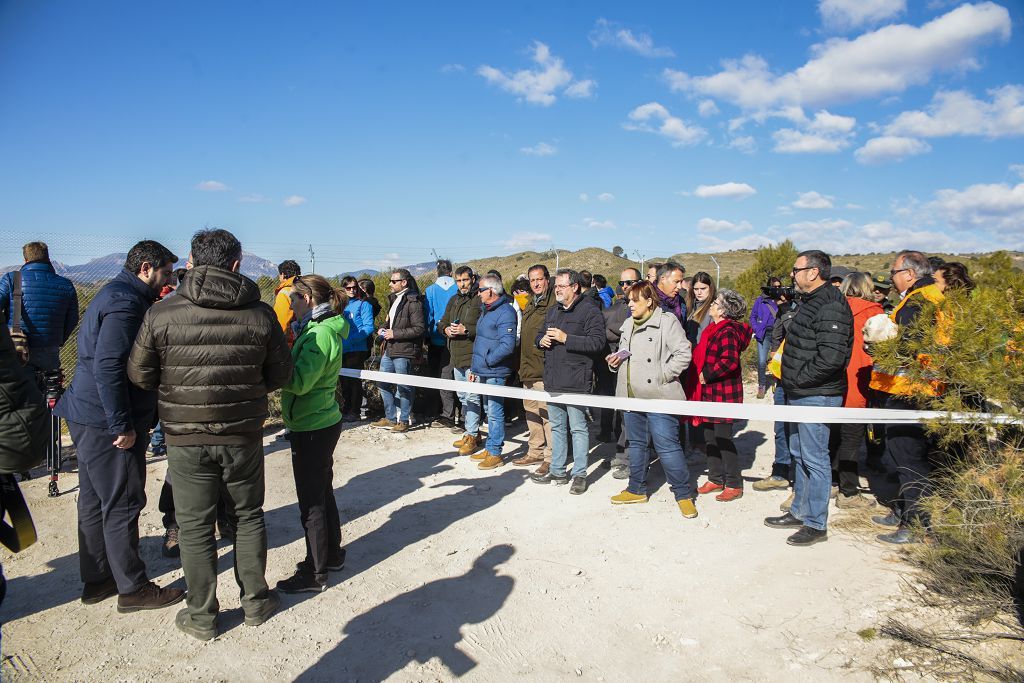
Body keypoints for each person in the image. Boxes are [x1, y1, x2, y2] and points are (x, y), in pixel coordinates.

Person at [127, 228, 293, 640]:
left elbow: (140, 374)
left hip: (184, 438)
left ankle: (201, 616)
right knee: (248, 516)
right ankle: (255, 601)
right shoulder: (259, 314)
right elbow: (281, 374)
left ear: (190, 261)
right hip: (243, 435)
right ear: (236, 264)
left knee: (195, 525)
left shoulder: (162, 313)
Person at [54, 240, 185, 613]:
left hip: (88, 414)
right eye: (164, 273)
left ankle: (98, 579)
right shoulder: (126, 304)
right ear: (146, 267)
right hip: (106, 418)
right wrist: (122, 424)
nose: (167, 280)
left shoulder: (117, 295)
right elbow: (110, 366)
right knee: (124, 501)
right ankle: (132, 587)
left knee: (95, 499)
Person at [764, 250, 853, 547]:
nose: (793, 274)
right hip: (799, 392)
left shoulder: (830, 304)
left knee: (815, 458)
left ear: (813, 272)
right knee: (799, 453)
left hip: (816, 394)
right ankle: (800, 510)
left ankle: (816, 523)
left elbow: (831, 358)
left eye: (796, 269)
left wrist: (797, 379)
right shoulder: (812, 301)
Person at [276, 275, 349, 594]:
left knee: (312, 501)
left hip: (313, 425)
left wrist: (274, 372)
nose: (288, 303)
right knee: (322, 490)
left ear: (307, 298)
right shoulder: (317, 329)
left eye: (292, 297)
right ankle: (331, 554)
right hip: (317, 420)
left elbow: (302, 381)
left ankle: (316, 571)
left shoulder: (319, 335)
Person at [868, 250, 946, 545]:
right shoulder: (925, 296)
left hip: (912, 391)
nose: (892, 278)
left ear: (910, 274)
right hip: (913, 389)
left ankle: (914, 523)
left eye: (893, 273)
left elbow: (909, 346)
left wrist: (879, 348)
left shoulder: (919, 301)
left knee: (908, 458)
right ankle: (902, 511)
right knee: (901, 456)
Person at [606, 281, 697, 517]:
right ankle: (636, 489)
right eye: (628, 300)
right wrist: (615, 362)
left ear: (649, 301)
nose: (630, 304)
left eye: (635, 300)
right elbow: (627, 357)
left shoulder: (667, 322)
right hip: (631, 396)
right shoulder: (628, 324)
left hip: (659, 396)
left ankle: (683, 494)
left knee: (667, 447)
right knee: (636, 445)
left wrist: (662, 375)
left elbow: (683, 353)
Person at [530, 269, 606, 494]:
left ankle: (580, 474)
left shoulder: (589, 311)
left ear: (575, 287)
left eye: (562, 286)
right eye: (556, 286)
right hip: (553, 379)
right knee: (557, 427)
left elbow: (597, 343)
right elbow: (538, 335)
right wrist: (540, 340)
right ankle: (557, 469)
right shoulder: (553, 311)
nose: (558, 289)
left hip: (576, 380)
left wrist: (567, 339)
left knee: (578, 429)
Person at [691, 290, 752, 502]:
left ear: (724, 310)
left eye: (716, 302)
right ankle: (715, 478)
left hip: (724, 393)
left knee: (723, 438)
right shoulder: (714, 328)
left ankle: (734, 483)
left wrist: (706, 374)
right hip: (710, 393)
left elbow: (730, 361)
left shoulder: (727, 331)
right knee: (710, 437)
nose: (712, 304)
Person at [830, 272, 883, 509]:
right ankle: (849, 492)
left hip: (833, 380)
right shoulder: (874, 313)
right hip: (860, 379)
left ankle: (831, 481)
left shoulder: (834, 309)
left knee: (832, 434)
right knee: (852, 437)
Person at [0, 241, 79, 373]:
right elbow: (73, 318)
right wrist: (58, 339)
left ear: (25, 260)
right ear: (47, 258)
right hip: (49, 350)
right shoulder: (66, 284)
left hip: (16, 347)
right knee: (49, 388)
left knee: (15, 390)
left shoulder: (12, 279)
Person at [465, 275, 518, 470]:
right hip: (484, 370)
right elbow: (480, 341)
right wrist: (476, 367)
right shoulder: (486, 311)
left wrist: (487, 361)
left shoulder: (506, 312)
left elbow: (507, 345)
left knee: (495, 413)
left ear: (491, 291)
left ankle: (495, 452)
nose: (477, 294)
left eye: (480, 290)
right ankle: (490, 447)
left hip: (496, 370)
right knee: (489, 411)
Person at [752, 287, 798, 500]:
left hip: (802, 380)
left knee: (800, 432)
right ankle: (780, 472)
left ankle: (799, 487)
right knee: (781, 427)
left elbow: (798, 335)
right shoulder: (786, 309)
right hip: (782, 376)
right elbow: (778, 334)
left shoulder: (811, 308)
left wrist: (788, 311)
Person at [371, 269, 425, 432]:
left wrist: (395, 334)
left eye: (393, 281)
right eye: (390, 280)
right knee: (383, 383)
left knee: (404, 386)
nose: (389, 284)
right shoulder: (394, 299)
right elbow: (389, 322)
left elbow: (419, 328)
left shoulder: (413, 301)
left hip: (404, 350)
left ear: (404, 282)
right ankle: (390, 417)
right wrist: (382, 329)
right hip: (389, 349)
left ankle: (404, 420)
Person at [512, 265, 555, 472]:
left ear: (547, 279)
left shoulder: (553, 304)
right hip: (527, 367)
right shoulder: (529, 303)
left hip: (543, 368)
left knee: (547, 415)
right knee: (531, 412)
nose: (536, 284)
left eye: (539, 279)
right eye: (532, 280)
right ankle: (535, 451)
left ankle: (551, 457)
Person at [600, 267, 640, 477]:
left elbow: (623, 329)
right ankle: (622, 453)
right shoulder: (619, 304)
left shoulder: (641, 305)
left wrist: (614, 329)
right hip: (617, 367)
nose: (625, 287)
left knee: (632, 416)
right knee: (622, 415)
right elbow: (606, 326)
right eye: (622, 283)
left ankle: (632, 461)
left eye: (630, 282)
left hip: (637, 370)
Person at [440, 267, 483, 454]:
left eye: (465, 280)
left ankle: (472, 434)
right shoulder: (454, 299)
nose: (462, 284)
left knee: (473, 396)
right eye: (458, 281)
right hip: (455, 355)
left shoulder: (479, 298)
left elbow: (484, 326)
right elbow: (442, 321)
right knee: (463, 396)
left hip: (473, 355)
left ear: (472, 279)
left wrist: (466, 330)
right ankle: (472, 432)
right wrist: (445, 330)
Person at [423, 260, 459, 427]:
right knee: (455, 375)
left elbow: (428, 315)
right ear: (451, 272)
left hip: (435, 338)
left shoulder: (430, 290)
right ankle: (457, 412)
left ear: (437, 272)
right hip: (456, 338)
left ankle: (436, 411)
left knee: (435, 376)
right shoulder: (457, 288)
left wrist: (427, 334)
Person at [339, 276, 375, 422]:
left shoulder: (364, 305)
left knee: (354, 382)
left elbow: (368, 327)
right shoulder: (339, 306)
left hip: (356, 349)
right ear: (343, 289)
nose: (352, 290)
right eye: (348, 288)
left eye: (354, 287)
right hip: (341, 349)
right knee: (343, 381)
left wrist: (351, 340)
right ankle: (346, 409)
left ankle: (354, 411)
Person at [750, 277, 781, 399]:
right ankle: (762, 385)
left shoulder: (781, 300)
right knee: (762, 361)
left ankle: (776, 384)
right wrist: (757, 329)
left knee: (777, 361)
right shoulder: (761, 300)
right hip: (763, 333)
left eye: (779, 286)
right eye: (775, 286)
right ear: (769, 287)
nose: (777, 289)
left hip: (777, 334)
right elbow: (753, 316)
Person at [684, 272, 716, 346]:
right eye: (696, 289)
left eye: (703, 288)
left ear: (710, 288)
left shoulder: (714, 309)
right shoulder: (690, 306)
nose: (699, 292)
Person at [274, 260, 301, 347]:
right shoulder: (304, 288)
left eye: (279, 274)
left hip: (289, 343)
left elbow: (282, 322)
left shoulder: (284, 293)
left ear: (283, 274)